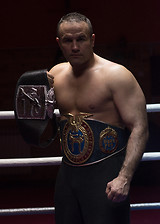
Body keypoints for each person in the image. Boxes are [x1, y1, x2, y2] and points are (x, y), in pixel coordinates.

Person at [47, 12, 148, 224]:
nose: (75, 46)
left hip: (106, 174)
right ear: (59, 43)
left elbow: (139, 127)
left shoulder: (116, 76)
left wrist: (124, 178)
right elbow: (42, 126)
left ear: (92, 39)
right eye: (68, 40)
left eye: (81, 39)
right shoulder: (54, 75)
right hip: (68, 175)